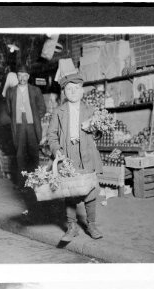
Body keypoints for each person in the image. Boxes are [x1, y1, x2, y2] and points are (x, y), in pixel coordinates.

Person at [47, 73, 103, 241]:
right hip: (67, 155)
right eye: (69, 89)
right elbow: (51, 135)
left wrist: (94, 128)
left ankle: (91, 224)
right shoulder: (58, 111)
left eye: (76, 88)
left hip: (86, 152)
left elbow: (100, 133)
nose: (72, 91)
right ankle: (72, 226)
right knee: (69, 190)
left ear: (81, 91)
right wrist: (56, 149)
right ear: (64, 92)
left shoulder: (91, 110)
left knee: (90, 189)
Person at [5, 65, 46, 190]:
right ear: (17, 76)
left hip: (32, 127)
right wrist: (18, 116)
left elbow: (42, 108)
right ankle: (22, 183)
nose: (22, 78)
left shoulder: (35, 90)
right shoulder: (11, 91)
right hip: (18, 127)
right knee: (20, 155)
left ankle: (34, 182)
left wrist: (34, 117)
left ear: (28, 76)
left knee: (34, 155)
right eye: (19, 75)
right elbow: (9, 110)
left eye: (24, 75)